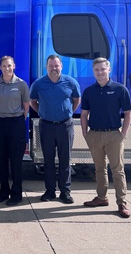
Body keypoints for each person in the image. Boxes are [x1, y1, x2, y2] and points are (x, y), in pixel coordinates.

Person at [80, 57, 131, 218]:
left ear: (109, 70)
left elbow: (128, 113)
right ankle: (101, 197)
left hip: (113, 135)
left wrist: (122, 134)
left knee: (117, 170)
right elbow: (84, 114)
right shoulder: (89, 91)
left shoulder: (119, 89)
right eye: (97, 70)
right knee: (99, 168)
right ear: (93, 71)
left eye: (103, 69)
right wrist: (85, 133)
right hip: (94, 135)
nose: (100, 72)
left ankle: (121, 202)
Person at [29, 54, 81, 204]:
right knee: (48, 161)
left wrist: (68, 113)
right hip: (46, 126)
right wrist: (42, 113)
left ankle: (65, 192)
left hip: (65, 125)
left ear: (61, 66)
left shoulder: (70, 82)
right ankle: (50, 191)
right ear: (46, 67)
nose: (54, 68)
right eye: (51, 66)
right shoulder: (38, 84)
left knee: (65, 160)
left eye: (56, 65)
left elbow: (76, 100)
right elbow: (33, 102)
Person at [0, 56, 30, 206]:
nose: (7, 68)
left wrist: (16, 119)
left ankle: (17, 193)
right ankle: (3, 191)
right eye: (4, 66)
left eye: (9, 65)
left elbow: (26, 105)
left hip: (16, 124)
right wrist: (2, 116)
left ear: (14, 66)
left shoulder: (21, 85)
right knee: (1, 159)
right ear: (0, 67)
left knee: (16, 160)